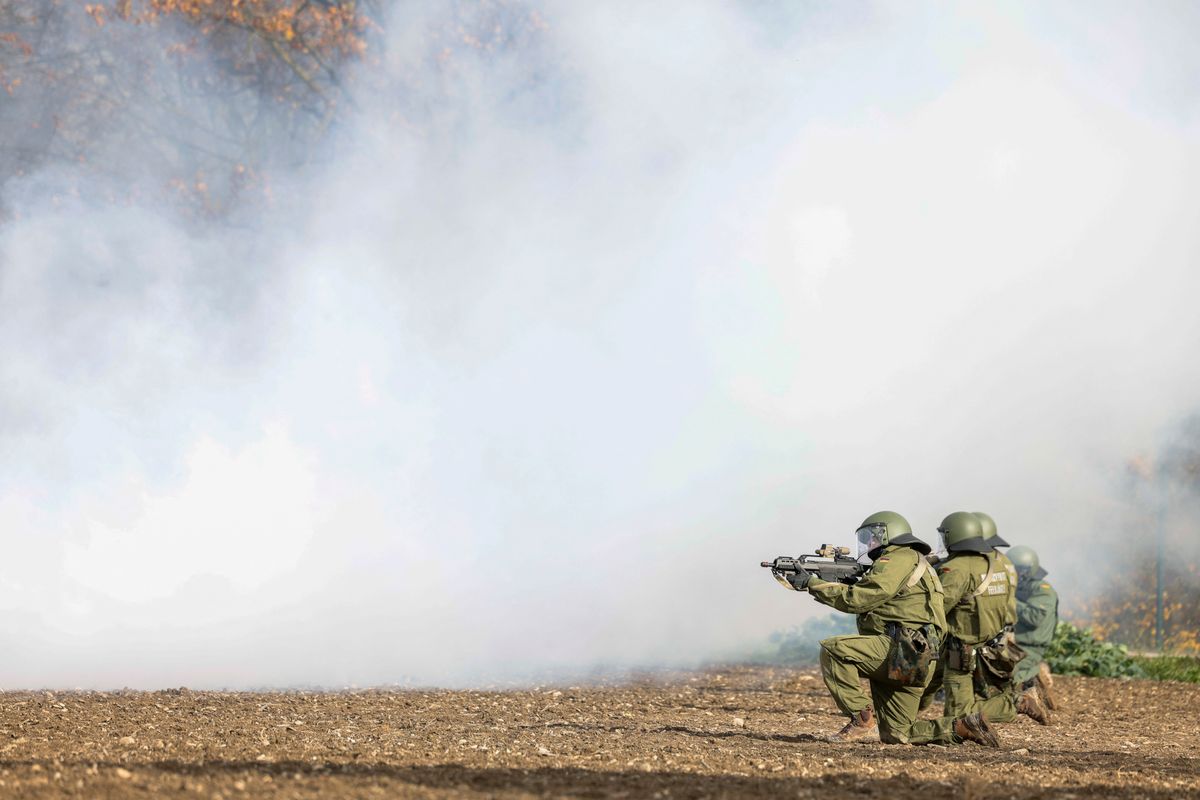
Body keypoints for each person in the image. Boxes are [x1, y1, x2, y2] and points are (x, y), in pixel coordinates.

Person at [785, 511, 1000, 747]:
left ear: (888, 534)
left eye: (872, 537)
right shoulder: (914, 561)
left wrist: (812, 583)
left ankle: (861, 718)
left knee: (834, 650)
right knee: (898, 734)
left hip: (902, 649)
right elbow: (884, 596)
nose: (868, 543)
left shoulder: (898, 558)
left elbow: (859, 599)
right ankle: (965, 727)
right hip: (918, 656)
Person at [920, 512, 1048, 725]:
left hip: (961, 648)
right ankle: (904, 712)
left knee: (959, 715)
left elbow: (935, 607)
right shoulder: (999, 563)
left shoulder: (957, 568)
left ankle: (1018, 703)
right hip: (990, 642)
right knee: (926, 678)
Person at [1009, 545, 1059, 706]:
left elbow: (1035, 617)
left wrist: (1009, 600)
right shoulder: (1020, 587)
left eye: (1017, 570)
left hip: (1030, 647)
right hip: (1013, 643)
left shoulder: (1043, 590)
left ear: (1027, 570)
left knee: (1004, 681)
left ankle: (1035, 672)